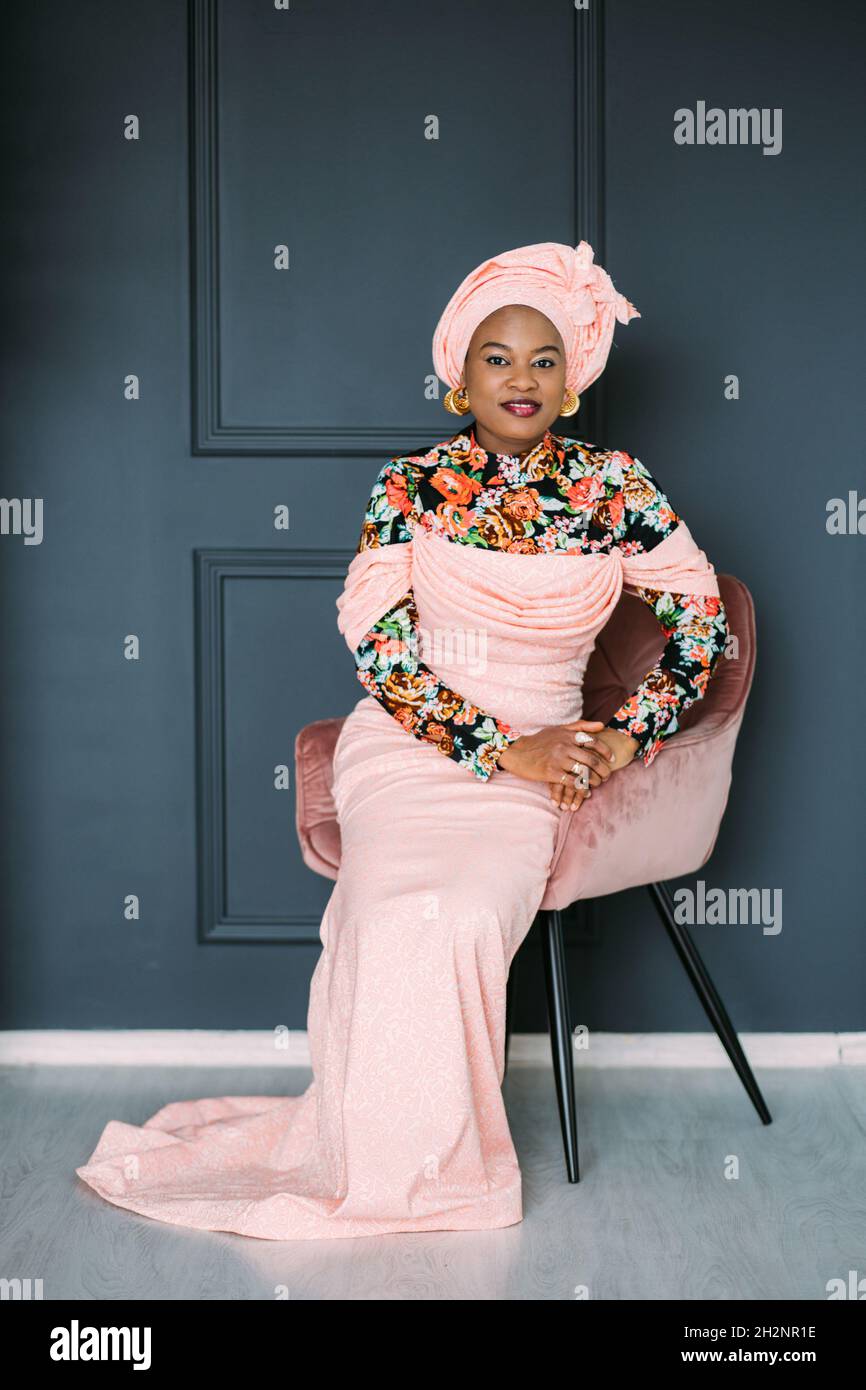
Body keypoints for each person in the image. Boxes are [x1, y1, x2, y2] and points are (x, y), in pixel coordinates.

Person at [75, 241, 728, 1241]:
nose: (520, 378)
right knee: (384, 910)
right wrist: (502, 748)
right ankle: (363, 1157)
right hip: (414, 743)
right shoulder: (412, 484)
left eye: (542, 359)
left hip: (548, 747)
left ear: (573, 382)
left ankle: (443, 1173)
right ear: (458, 375)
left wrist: (615, 737)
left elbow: (700, 627)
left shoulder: (614, 486)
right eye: (497, 358)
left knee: (464, 913)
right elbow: (378, 654)